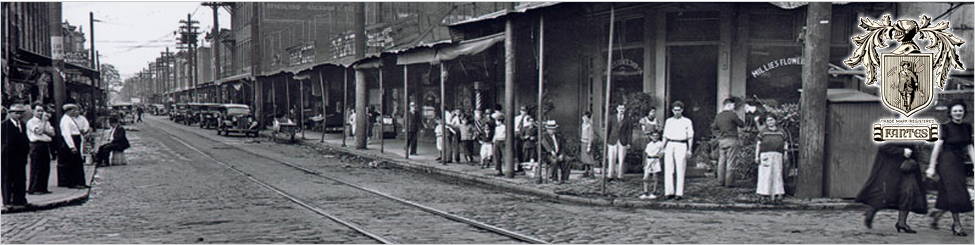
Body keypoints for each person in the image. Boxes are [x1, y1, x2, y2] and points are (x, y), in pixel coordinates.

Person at [856, 140, 926, 233]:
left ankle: (902, 223)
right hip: (890, 167)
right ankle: (871, 211)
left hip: (907, 167)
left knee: (908, 192)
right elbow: (883, 146)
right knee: (886, 194)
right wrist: (902, 151)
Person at [926, 101, 973, 237]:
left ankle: (937, 215)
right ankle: (957, 225)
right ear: (950, 113)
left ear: (964, 112)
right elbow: (937, 147)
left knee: (951, 193)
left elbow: (970, 147)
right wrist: (931, 166)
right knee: (955, 192)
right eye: (955, 111)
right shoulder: (945, 127)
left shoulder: (967, 127)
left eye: (960, 110)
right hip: (946, 162)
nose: (958, 113)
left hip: (959, 162)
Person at [754, 115, 790, 204]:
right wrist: (756, 156)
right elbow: (758, 145)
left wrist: (785, 153)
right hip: (765, 155)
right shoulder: (763, 132)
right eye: (768, 120)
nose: (770, 122)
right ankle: (764, 195)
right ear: (766, 122)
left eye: (772, 120)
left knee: (777, 175)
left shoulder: (782, 132)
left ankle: (778, 194)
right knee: (765, 175)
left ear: (775, 121)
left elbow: (786, 143)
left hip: (778, 155)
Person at [662, 101, 693, 200]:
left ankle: (679, 193)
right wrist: (663, 147)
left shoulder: (687, 121)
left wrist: (689, 149)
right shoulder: (669, 121)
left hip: (681, 144)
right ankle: (669, 191)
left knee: (680, 168)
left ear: (682, 110)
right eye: (675, 110)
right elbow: (665, 136)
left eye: (679, 110)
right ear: (672, 110)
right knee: (669, 169)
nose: (677, 112)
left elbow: (690, 137)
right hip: (670, 144)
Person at [2, 104, 32, 208]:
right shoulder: (4, 125)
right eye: (16, 113)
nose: (19, 115)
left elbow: (25, 140)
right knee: (7, 179)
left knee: (20, 178)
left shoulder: (23, 125)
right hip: (8, 157)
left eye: (21, 113)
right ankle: (7, 201)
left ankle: (19, 199)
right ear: (10, 113)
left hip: (20, 157)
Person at [713, 98, 745, 187]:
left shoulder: (718, 116)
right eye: (733, 105)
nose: (734, 107)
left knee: (721, 161)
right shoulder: (732, 114)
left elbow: (714, 127)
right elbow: (741, 124)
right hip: (732, 139)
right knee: (731, 161)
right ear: (729, 105)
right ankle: (729, 183)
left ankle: (720, 181)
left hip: (722, 140)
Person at [58, 104, 90, 189]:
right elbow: (67, 134)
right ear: (69, 110)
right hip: (72, 141)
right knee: (73, 163)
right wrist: (72, 146)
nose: (75, 112)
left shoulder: (70, 119)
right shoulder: (65, 120)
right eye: (74, 110)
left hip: (76, 140)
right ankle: (73, 182)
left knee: (77, 163)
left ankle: (80, 182)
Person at [27, 104, 55, 194]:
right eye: (38, 110)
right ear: (33, 111)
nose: (40, 113)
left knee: (45, 167)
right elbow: (38, 132)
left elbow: (52, 133)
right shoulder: (31, 122)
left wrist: (44, 129)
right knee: (36, 167)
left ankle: (43, 187)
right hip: (36, 145)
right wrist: (44, 125)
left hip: (45, 144)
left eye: (42, 111)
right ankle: (34, 188)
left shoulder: (47, 122)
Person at [606, 104, 634, 181]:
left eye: (623, 108)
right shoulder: (612, 117)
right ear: (617, 109)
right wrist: (606, 140)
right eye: (620, 108)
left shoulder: (628, 119)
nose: (621, 110)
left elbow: (629, 132)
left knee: (621, 159)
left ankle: (620, 176)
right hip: (612, 140)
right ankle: (610, 175)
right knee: (611, 158)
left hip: (623, 140)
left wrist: (629, 142)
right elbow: (608, 129)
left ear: (625, 110)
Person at [640, 130, 664, 199]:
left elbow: (662, 153)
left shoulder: (660, 144)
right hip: (648, 160)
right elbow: (646, 153)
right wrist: (644, 162)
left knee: (655, 177)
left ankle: (654, 192)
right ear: (651, 137)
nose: (655, 137)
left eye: (656, 136)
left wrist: (658, 158)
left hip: (656, 160)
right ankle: (645, 191)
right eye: (653, 136)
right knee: (646, 177)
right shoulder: (649, 144)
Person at [492, 112, 507, 176]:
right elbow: (495, 134)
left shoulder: (504, 127)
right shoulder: (496, 128)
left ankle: (506, 169)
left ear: (500, 121)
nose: (496, 122)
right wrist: (494, 140)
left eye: (497, 120)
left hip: (502, 141)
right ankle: (498, 170)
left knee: (504, 156)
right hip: (497, 141)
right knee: (497, 156)